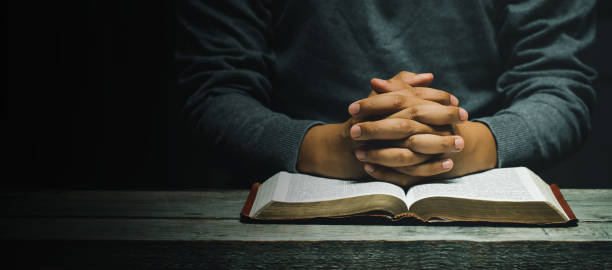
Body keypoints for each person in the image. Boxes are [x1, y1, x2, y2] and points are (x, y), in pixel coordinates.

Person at [176, 1, 597, 186]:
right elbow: (214, 90)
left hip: (483, 188)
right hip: (286, 195)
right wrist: (323, 146)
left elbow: (559, 86)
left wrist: (463, 145)